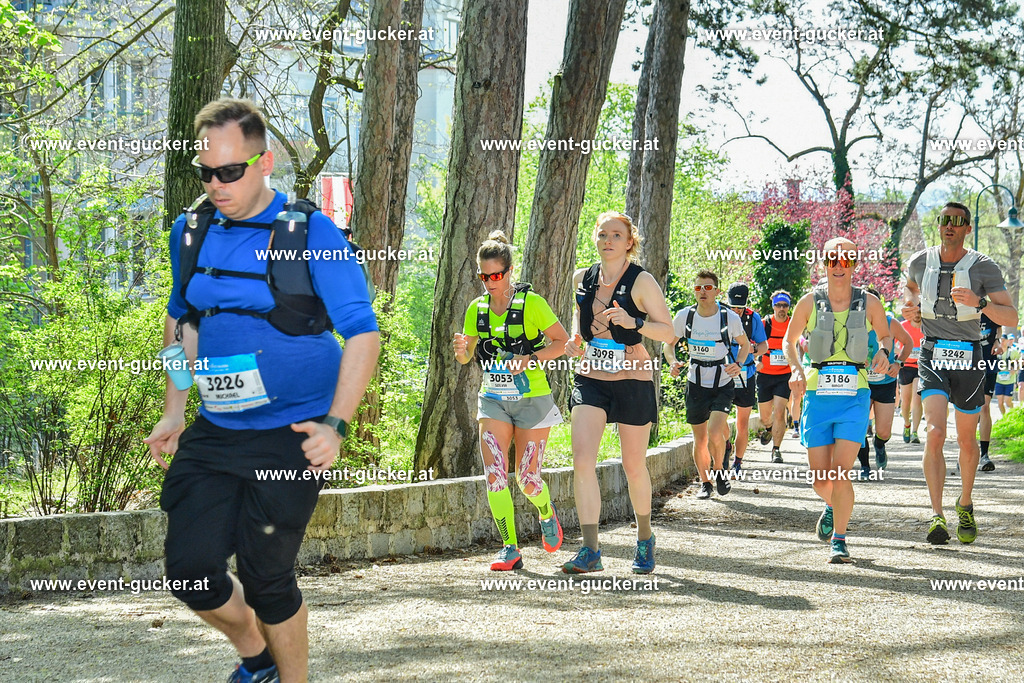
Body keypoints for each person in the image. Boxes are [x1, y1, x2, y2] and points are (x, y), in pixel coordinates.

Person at [144, 99, 380, 683]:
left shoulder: (310, 232)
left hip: (292, 433)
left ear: (265, 161)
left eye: (231, 171)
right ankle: (258, 660)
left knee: (267, 574)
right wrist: (175, 409)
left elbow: (363, 333)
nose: (216, 184)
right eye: (206, 171)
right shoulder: (191, 230)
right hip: (218, 428)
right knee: (190, 572)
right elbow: (180, 323)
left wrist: (336, 425)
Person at [563, 211, 675, 575]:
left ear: (629, 242)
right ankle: (590, 549)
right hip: (590, 376)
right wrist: (573, 340)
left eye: (616, 235)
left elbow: (668, 332)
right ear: (595, 239)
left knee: (633, 465)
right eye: (602, 234)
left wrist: (635, 322)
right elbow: (577, 323)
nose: (607, 240)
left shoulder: (641, 281)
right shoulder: (582, 277)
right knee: (582, 461)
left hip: (633, 375)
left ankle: (645, 538)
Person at [902, 201, 1018, 545]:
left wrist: (980, 303)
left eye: (958, 221)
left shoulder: (983, 266)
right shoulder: (920, 261)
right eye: (945, 220)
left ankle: (964, 502)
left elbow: (1011, 317)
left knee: (967, 441)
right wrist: (909, 308)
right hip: (932, 351)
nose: (950, 226)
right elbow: (908, 291)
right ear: (939, 225)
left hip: (969, 358)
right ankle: (936, 515)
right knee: (935, 432)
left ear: (968, 228)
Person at [453, 231, 569, 571]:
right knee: (495, 474)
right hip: (493, 400)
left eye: (496, 275)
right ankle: (509, 547)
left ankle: (546, 511)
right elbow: (467, 356)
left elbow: (561, 342)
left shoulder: (531, 304)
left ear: (510, 271)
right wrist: (462, 352)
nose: (490, 282)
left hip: (531, 399)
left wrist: (531, 358)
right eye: (483, 276)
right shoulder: (477, 309)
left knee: (528, 479)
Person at [786, 238, 892, 563]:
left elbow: (886, 335)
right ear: (824, 263)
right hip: (818, 393)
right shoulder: (809, 302)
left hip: (854, 395)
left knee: (840, 472)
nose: (838, 264)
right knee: (820, 479)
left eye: (845, 259)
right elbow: (789, 342)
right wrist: (795, 370)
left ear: (854, 264)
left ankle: (840, 540)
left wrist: (885, 352)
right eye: (832, 258)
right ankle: (831, 505)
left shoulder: (869, 302)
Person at [664, 273, 750, 497]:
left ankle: (719, 471)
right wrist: (673, 362)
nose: (702, 291)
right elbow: (668, 345)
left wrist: (738, 364)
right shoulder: (685, 316)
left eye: (708, 287)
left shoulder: (729, 317)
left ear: (717, 291)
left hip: (722, 381)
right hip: (695, 382)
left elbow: (745, 345)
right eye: (698, 287)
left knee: (714, 432)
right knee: (700, 438)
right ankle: (705, 483)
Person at [855, 286, 913, 479]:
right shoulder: (853, 324)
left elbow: (909, 342)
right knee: (859, 425)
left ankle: (880, 445)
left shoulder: (890, 323)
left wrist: (899, 363)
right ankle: (864, 466)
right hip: (861, 381)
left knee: (884, 431)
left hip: (885, 382)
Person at [722, 283, 767, 474]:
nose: (737, 311)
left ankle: (737, 462)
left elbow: (764, 346)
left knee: (742, 421)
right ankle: (726, 445)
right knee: (718, 418)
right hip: (722, 374)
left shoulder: (752, 318)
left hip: (746, 375)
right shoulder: (718, 315)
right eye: (733, 307)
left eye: (740, 307)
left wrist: (751, 349)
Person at [756, 290, 795, 464]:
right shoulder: (764, 324)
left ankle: (776, 450)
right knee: (765, 417)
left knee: (780, 411)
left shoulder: (793, 324)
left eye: (785, 305)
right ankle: (769, 428)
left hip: (783, 375)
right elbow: (754, 344)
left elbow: (798, 345)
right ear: (773, 306)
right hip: (764, 375)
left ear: (789, 307)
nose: (781, 309)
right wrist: (756, 359)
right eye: (778, 305)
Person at [977, 313, 1002, 471]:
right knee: (968, 409)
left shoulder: (990, 308)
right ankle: (966, 452)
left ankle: (984, 455)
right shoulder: (963, 307)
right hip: (968, 363)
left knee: (984, 407)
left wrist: (998, 341)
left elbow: (999, 327)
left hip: (989, 362)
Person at [899, 309, 924, 444]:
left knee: (917, 398)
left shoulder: (927, 327)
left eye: (920, 312)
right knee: (906, 400)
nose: (917, 315)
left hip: (921, 367)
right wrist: (904, 353)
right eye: (915, 312)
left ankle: (915, 431)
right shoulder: (903, 326)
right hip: (906, 366)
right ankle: (907, 424)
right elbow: (895, 346)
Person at [993, 335, 1020, 417]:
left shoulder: (1013, 351)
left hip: (1010, 380)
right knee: (1000, 402)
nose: (1002, 342)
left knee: (1008, 401)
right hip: (999, 380)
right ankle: (1005, 417)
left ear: (1007, 341)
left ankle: (1013, 415)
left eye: (1004, 340)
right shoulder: (996, 352)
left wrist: (1015, 369)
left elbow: (1020, 361)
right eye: (1001, 340)